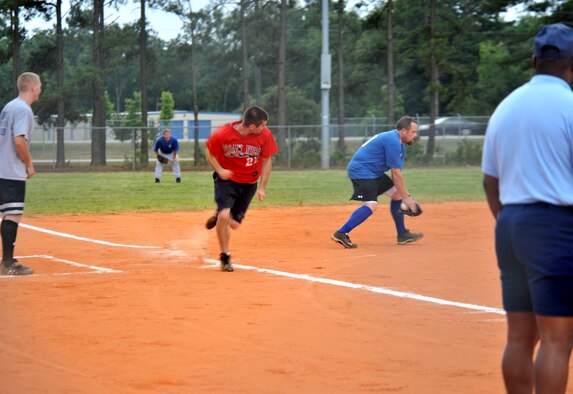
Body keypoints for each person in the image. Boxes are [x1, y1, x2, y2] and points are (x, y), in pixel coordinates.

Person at [482, 22, 573, 394]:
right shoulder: (569, 105)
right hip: (554, 226)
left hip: (511, 225)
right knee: (557, 340)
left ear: (534, 60)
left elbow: (490, 182)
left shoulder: (507, 106)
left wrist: (510, 224)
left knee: (520, 337)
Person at [204, 106, 278, 272]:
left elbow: (267, 160)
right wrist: (220, 170)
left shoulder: (265, 135)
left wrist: (262, 187)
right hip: (227, 180)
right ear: (252, 126)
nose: (265, 128)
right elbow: (210, 153)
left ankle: (219, 215)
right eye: (263, 125)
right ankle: (225, 256)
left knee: (234, 224)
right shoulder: (224, 133)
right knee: (225, 216)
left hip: (249, 182)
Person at [332, 116, 423, 248]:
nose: (415, 135)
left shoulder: (400, 147)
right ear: (404, 130)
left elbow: (397, 175)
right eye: (413, 132)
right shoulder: (393, 141)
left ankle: (402, 234)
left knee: (397, 194)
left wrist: (406, 196)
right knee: (371, 205)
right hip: (361, 170)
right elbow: (396, 174)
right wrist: (408, 200)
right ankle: (341, 233)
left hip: (373, 172)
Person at [0, 72, 42, 276]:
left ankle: (7, 261)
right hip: (11, 170)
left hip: (2, 166)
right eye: (40, 85)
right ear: (32, 87)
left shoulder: (10, 106)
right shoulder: (23, 110)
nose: (40, 89)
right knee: (13, 214)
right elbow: (19, 140)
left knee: (8, 213)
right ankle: (8, 263)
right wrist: (29, 164)